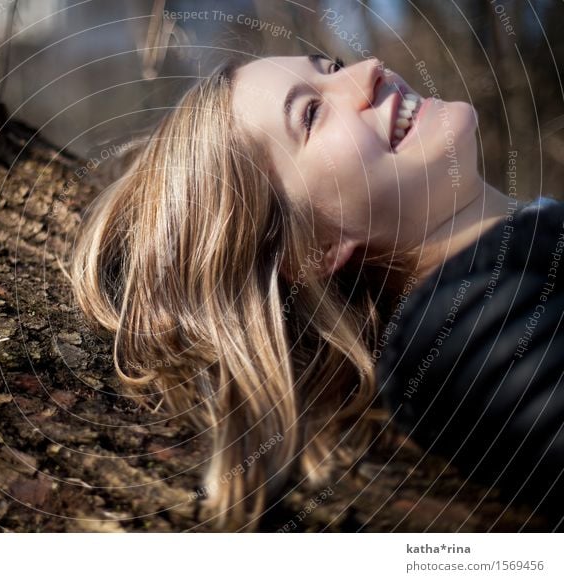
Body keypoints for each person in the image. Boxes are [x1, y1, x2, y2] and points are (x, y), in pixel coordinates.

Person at [65, 52, 562, 531]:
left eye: (333, 67)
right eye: (311, 114)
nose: (368, 71)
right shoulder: (464, 331)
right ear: (311, 250)